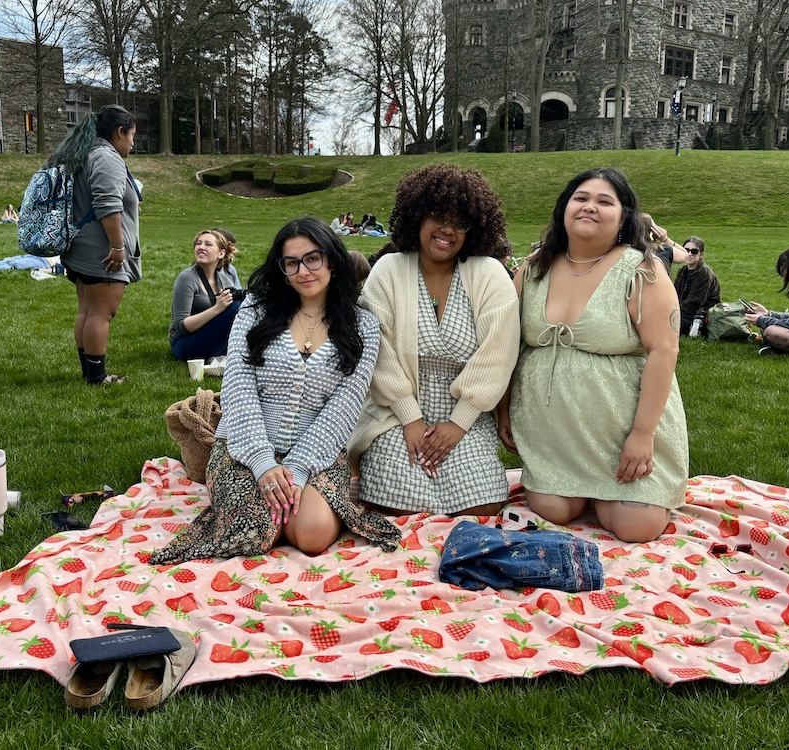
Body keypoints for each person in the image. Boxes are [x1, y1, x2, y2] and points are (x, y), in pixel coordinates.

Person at [150, 217, 400, 563]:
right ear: (280, 268)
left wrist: (296, 469)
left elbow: (345, 406)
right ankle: (263, 510)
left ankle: (291, 510)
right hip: (243, 445)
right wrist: (263, 464)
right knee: (254, 528)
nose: (303, 271)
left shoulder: (363, 325)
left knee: (311, 535)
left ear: (332, 259)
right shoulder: (255, 310)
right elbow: (238, 389)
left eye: (313, 258)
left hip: (317, 452)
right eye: (291, 262)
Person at [497, 167, 688, 543]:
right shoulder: (534, 268)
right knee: (553, 509)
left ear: (623, 217)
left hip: (624, 438)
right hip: (555, 440)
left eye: (604, 201)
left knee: (637, 528)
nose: (590, 207)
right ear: (564, 209)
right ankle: (581, 491)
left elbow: (664, 351)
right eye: (581, 198)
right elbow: (505, 345)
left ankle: (614, 491)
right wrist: (502, 409)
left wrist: (642, 433)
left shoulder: (642, 270)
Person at [348, 163, 520, 517]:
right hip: (395, 413)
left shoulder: (489, 274)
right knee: (393, 504)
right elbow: (378, 351)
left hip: (467, 418)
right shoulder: (388, 270)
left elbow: (498, 355)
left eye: (459, 222)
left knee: (482, 506)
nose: (447, 230)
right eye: (437, 216)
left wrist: (458, 424)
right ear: (416, 217)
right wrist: (411, 419)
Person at [48, 104, 141, 386]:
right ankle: (97, 378)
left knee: (87, 311)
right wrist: (118, 247)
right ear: (119, 132)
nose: (133, 144)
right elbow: (108, 205)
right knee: (102, 313)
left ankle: (90, 373)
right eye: (132, 136)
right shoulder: (106, 158)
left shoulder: (82, 153)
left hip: (79, 246)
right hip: (100, 251)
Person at [169, 230, 243, 362]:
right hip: (183, 343)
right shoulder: (187, 278)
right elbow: (181, 326)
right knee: (235, 307)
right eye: (199, 243)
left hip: (210, 337)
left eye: (208, 244)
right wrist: (217, 308)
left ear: (221, 253)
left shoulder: (223, 278)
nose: (201, 247)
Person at [673, 236, 720, 335]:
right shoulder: (682, 272)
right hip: (684, 311)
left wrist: (672, 311)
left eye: (694, 251)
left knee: (667, 321)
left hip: (701, 316)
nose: (689, 254)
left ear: (701, 254)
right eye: (686, 250)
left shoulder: (705, 274)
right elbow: (674, 295)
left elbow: (694, 304)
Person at [640, 213, 687, 278]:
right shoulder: (664, 250)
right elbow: (685, 254)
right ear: (653, 230)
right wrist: (665, 239)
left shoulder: (627, 250)